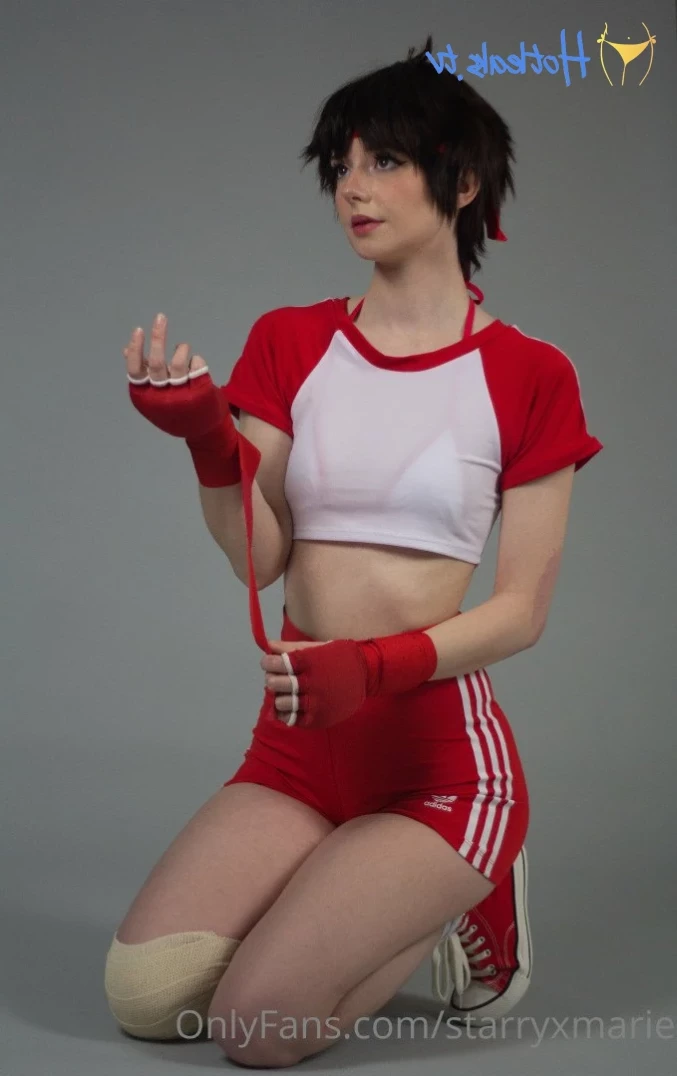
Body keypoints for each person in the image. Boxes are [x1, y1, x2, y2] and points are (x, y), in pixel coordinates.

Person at [104, 35, 603, 1067]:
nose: (352, 188)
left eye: (385, 161)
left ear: (461, 182)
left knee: (256, 1026)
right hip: (296, 750)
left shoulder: (528, 373)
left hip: (436, 765)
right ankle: (359, 879)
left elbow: (520, 611)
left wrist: (372, 666)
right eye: (341, 165)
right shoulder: (292, 341)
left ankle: (468, 884)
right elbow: (261, 558)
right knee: (144, 997)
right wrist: (208, 442)